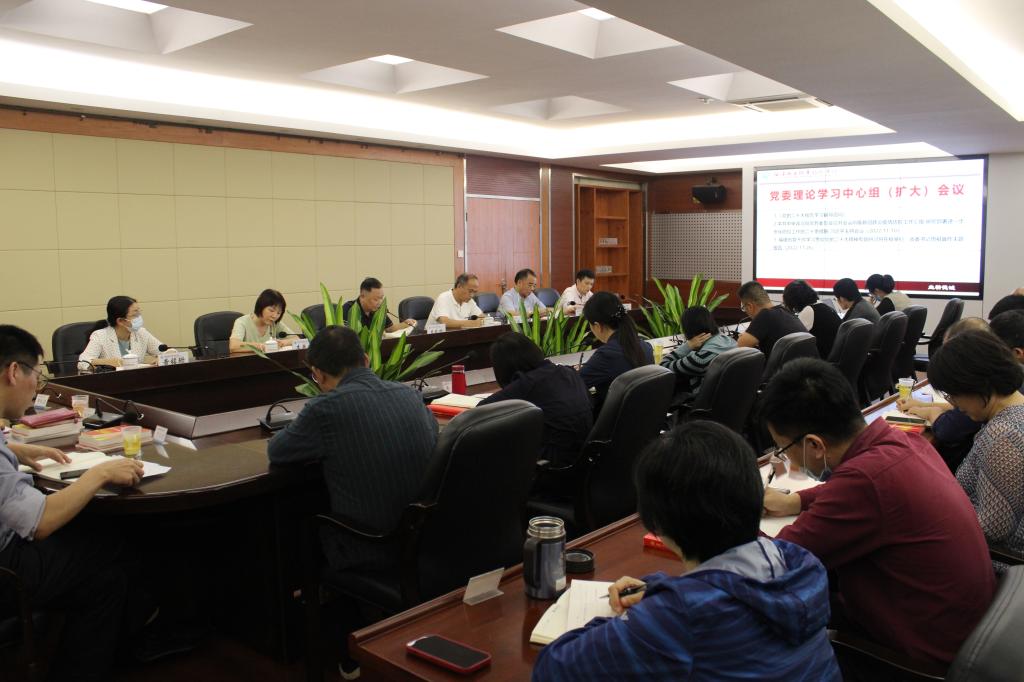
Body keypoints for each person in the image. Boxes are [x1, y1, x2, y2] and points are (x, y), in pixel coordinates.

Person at [533, 421, 840, 681]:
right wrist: (660, 591)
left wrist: (638, 616)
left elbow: (553, 669)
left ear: (658, 524)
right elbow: (729, 590)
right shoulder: (800, 563)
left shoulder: (680, 616)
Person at [761, 358, 994, 670]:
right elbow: (861, 491)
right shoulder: (903, 439)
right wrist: (795, 501)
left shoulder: (864, 483)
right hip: (960, 628)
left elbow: (772, 562)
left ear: (814, 445)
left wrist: (727, 517)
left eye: (783, 449)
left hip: (917, 660)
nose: (788, 460)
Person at [0, 325, 146, 680]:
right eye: (37, 375)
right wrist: (100, 473)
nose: (37, 387)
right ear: (14, 372)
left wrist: (15, 450)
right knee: (117, 542)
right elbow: (40, 521)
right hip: (8, 570)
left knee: (106, 581)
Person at [928, 330, 1024, 566]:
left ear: (975, 385)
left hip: (995, 562)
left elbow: (992, 530)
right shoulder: (1015, 412)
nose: (955, 405)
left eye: (953, 395)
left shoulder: (1004, 436)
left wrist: (930, 522)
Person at [479, 333, 592, 467]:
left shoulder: (527, 384)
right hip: (585, 458)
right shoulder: (567, 371)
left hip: (553, 463)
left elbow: (481, 410)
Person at [898, 317, 995, 472]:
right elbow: (961, 408)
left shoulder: (1004, 432)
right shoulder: (994, 379)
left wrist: (931, 411)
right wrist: (923, 405)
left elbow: (948, 429)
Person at [579, 291, 653, 413]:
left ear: (597, 326)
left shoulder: (607, 355)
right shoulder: (646, 346)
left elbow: (575, 384)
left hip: (614, 421)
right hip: (643, 417)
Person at [659, 306, 736, 395]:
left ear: (688, 329)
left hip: (705, 400)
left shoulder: (700, 359)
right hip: (730, 396)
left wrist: (688, 345)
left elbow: (663, 367)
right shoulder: (730, 341)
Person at [79, 295, 163, 368]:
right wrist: (107, 362)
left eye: (139, 312)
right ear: (120, 321)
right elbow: (82, 363)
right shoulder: (100, 336)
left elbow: (164, 351)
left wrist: (161, 358)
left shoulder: (141, 332)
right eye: (135, 315)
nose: (139, 317)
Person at [736, 280, 806, 359]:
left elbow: (741, 345)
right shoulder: (786, 312)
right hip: (808, 364)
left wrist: (744, 337)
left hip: (788, 366)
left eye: (744, 308)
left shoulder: (765, 315)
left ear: (750, 306)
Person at [782, 279, 841, 357]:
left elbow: (791, 337)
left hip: (822, 358)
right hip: (832, 355)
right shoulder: (822, 305)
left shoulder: (809, 310)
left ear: (793, 300)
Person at [229, 289, 298, 353]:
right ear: (261, 306)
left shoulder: (275, 323)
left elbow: (296, 339)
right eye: (271, 310)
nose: (275, 316)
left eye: (278, 313)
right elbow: (233, 346)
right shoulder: (242, 322)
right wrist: (261, 346)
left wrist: (283, 343)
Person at [341, 277, 416, 332]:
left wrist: (405, 324)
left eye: (381, 298)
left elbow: (389, 328)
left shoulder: (378, 309)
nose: (380, 302)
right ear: (362, 296)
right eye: (376, 299)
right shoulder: (349, 309)